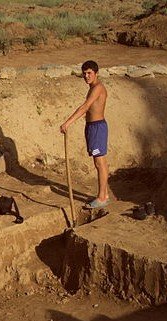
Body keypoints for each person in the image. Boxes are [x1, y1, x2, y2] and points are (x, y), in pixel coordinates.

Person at [60, 60, 110, 209]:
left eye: (89, 73)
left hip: (97, 128)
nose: (86, 76)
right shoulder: (92, 87)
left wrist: (68, 122)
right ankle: (104, 194)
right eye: (84, 73)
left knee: (99, 163)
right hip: (92, 127)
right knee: (100, 162)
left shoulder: (98, 88)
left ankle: (101, 198)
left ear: (96, 73)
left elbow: (85, 107)